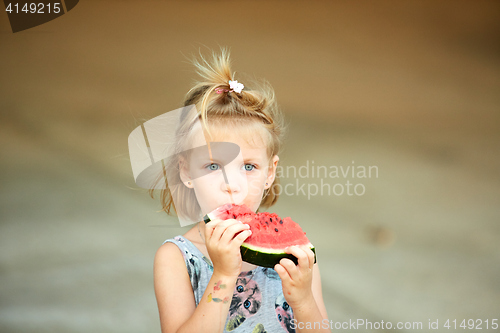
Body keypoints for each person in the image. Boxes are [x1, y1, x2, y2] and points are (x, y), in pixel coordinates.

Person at [152, 48, 330, 333]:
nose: (232, 185)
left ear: (270, 172)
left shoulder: (294, 254)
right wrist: (223, 274)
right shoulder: (177, 259)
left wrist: (304, 301)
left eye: (249, 167)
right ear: (186, 171)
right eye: (213, 166)